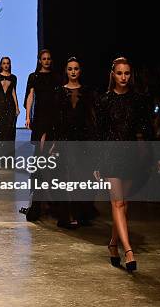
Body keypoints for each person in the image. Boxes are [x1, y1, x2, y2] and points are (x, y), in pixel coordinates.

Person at [96, 57, 160, 272]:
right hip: (109, 155)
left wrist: (156, 157)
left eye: (126, 73)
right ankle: (129, 251)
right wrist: (96, 163)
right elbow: (99, 134)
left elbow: (146, 132)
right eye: (119, 73)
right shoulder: (104, 100)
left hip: (130, 156)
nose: (123, 77)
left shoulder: (138, 100)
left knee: (123, 204)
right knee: (117, 204)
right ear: (113, 75)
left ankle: (113, 244)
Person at [51, 57, 99, 229]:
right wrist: (54, 140)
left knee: (82, 177)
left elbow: (91, 117)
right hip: (64, 138)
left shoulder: (87, 92)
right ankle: (66, 216)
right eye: (70, 68)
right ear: (66, 71)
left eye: (76, 68)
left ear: (80, 71)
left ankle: (82, 214)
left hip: (82, 139)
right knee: (65, 177)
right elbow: (56, 118)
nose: (73, 71)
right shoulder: (59, 91)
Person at [23, 49, 60, 221]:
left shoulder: (56, 76)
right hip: (39, 118)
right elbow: (30, 96)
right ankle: (38, 202)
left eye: (48, 58)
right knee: (40, 156)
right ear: (39, 60)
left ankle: (47, 201)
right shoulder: (34, 77)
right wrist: (28, 116)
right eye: (43, 59)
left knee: (49, 157)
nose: (46, 61)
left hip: (53, 117)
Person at [0, 57, 19, 141]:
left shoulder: (13, 77)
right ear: (1, 65)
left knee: (10, 128)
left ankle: (9, 152)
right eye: (4, 63)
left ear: (10, 65)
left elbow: (13, 92)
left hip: (10, 105)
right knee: (1, 129)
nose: (6, 65)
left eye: (7, 63)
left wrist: (17, 108)